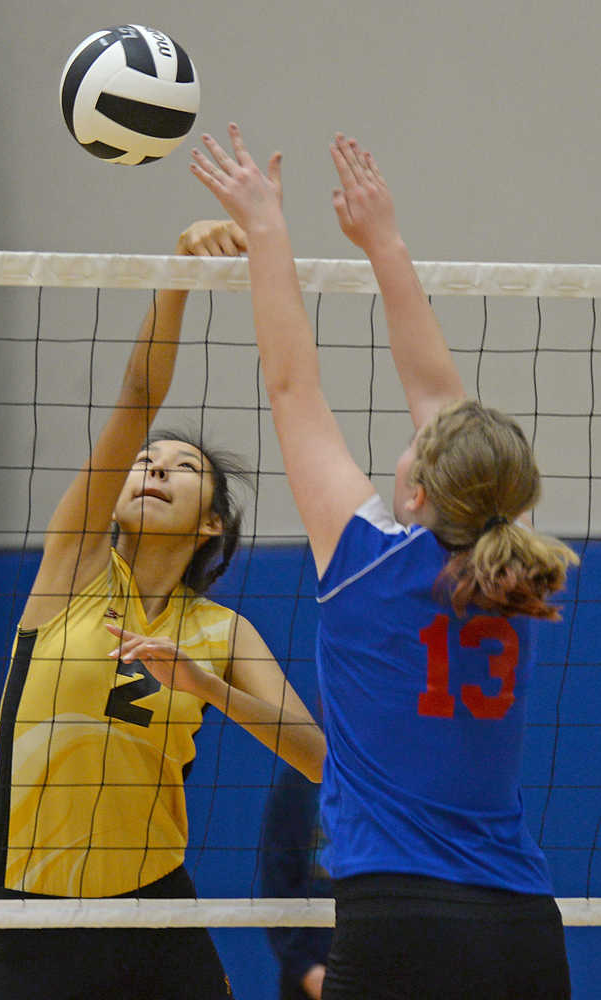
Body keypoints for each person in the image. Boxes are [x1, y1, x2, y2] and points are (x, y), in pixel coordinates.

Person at [191, 125, 577, 998]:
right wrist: (383, 241)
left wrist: (269, 228)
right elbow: (439, 401)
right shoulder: (516, 571)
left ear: (417, 489)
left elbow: (292, 385)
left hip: (398, 924)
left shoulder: (364, 561)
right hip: (523, 926)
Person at [0, 218, 326, 1000]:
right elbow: (138, 398)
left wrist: (209, 687)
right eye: (147, 461)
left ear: (212, 524)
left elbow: (317, 760)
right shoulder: (74, 565)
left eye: (183, 467)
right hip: (35, 915)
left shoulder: (222, 632)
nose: (155, 469)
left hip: (155, 906)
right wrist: (178, 273)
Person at [260, 764, 332, 1000]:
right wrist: (306, 970)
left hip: (375, 962)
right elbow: (276, 882)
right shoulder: (298, 779)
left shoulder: (383, 774)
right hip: (309, 975)